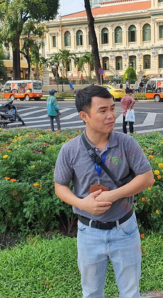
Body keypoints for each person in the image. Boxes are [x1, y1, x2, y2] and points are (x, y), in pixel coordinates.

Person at [54, 85, 154, 298]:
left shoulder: (126, 143)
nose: (111, 116)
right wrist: (82, 204)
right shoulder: (70, 150)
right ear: (84, 116)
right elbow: (60, 186)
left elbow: (147, 177)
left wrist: (113, 195)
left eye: (112, 108)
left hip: (125, 229)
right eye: (103, 111)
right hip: (88, 232)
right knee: (91, 292)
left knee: (130, 292)